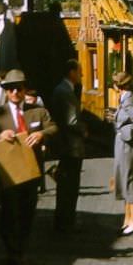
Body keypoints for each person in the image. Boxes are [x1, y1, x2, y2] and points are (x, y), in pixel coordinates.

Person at [0, 69, 57, 265]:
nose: (15, 92)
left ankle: (21, 247)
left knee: (27, 212)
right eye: (10, 89)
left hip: (30, 171)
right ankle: (12, 251)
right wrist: (0, 136)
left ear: (25, 89)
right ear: (6, 91)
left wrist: (41, 134)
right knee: (8, 212)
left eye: (19, 88)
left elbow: (53, 127)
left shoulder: (37, 111)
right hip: (7, 171)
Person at [50, 60, 86, 232]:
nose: (82, 75)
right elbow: (72, 121)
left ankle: (63, 219)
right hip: (70, 146)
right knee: (69, 186)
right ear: (71, 72)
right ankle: (65, 221)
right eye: (79, 72)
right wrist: (84, 130)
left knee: (65, 185)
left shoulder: (61, 90)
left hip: (64, 144)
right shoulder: (65, 92)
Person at [112, 71, 133, 236]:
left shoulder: (128, 101)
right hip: (122, 146)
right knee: (125, 180)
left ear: (117, 86)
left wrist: (126, 133)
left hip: (127, 146)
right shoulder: (124, 99)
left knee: (131, 180)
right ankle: (128, 220)